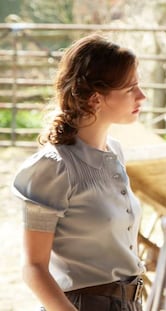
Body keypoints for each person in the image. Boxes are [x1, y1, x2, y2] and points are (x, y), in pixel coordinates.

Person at [12, 34, 147, 311]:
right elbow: (33, 268)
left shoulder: (115, 154)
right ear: (96, 99)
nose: (141, 96)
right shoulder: (53, 168)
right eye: (130, 88)